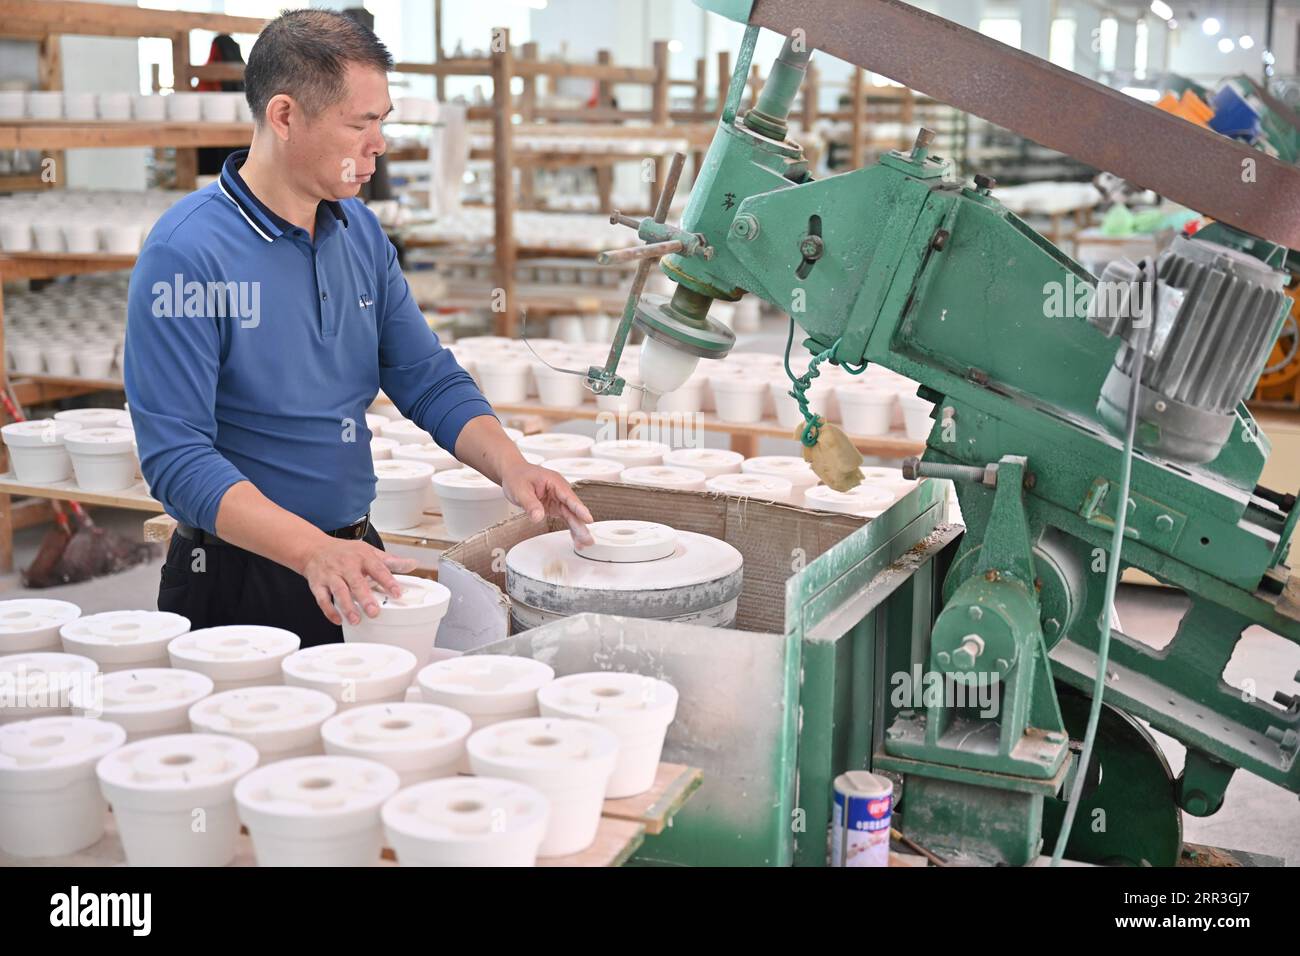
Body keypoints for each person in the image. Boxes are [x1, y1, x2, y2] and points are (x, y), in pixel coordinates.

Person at [124, 9, 592, 647]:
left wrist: (512, 466)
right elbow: (176, 458)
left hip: (350, 556)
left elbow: (424, 376)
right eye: (360, 123)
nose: (379, 144)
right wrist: (309, 550)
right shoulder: (187, 253)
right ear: (285, 116)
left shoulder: (358, 232)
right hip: (237, 574)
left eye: (384, 121)